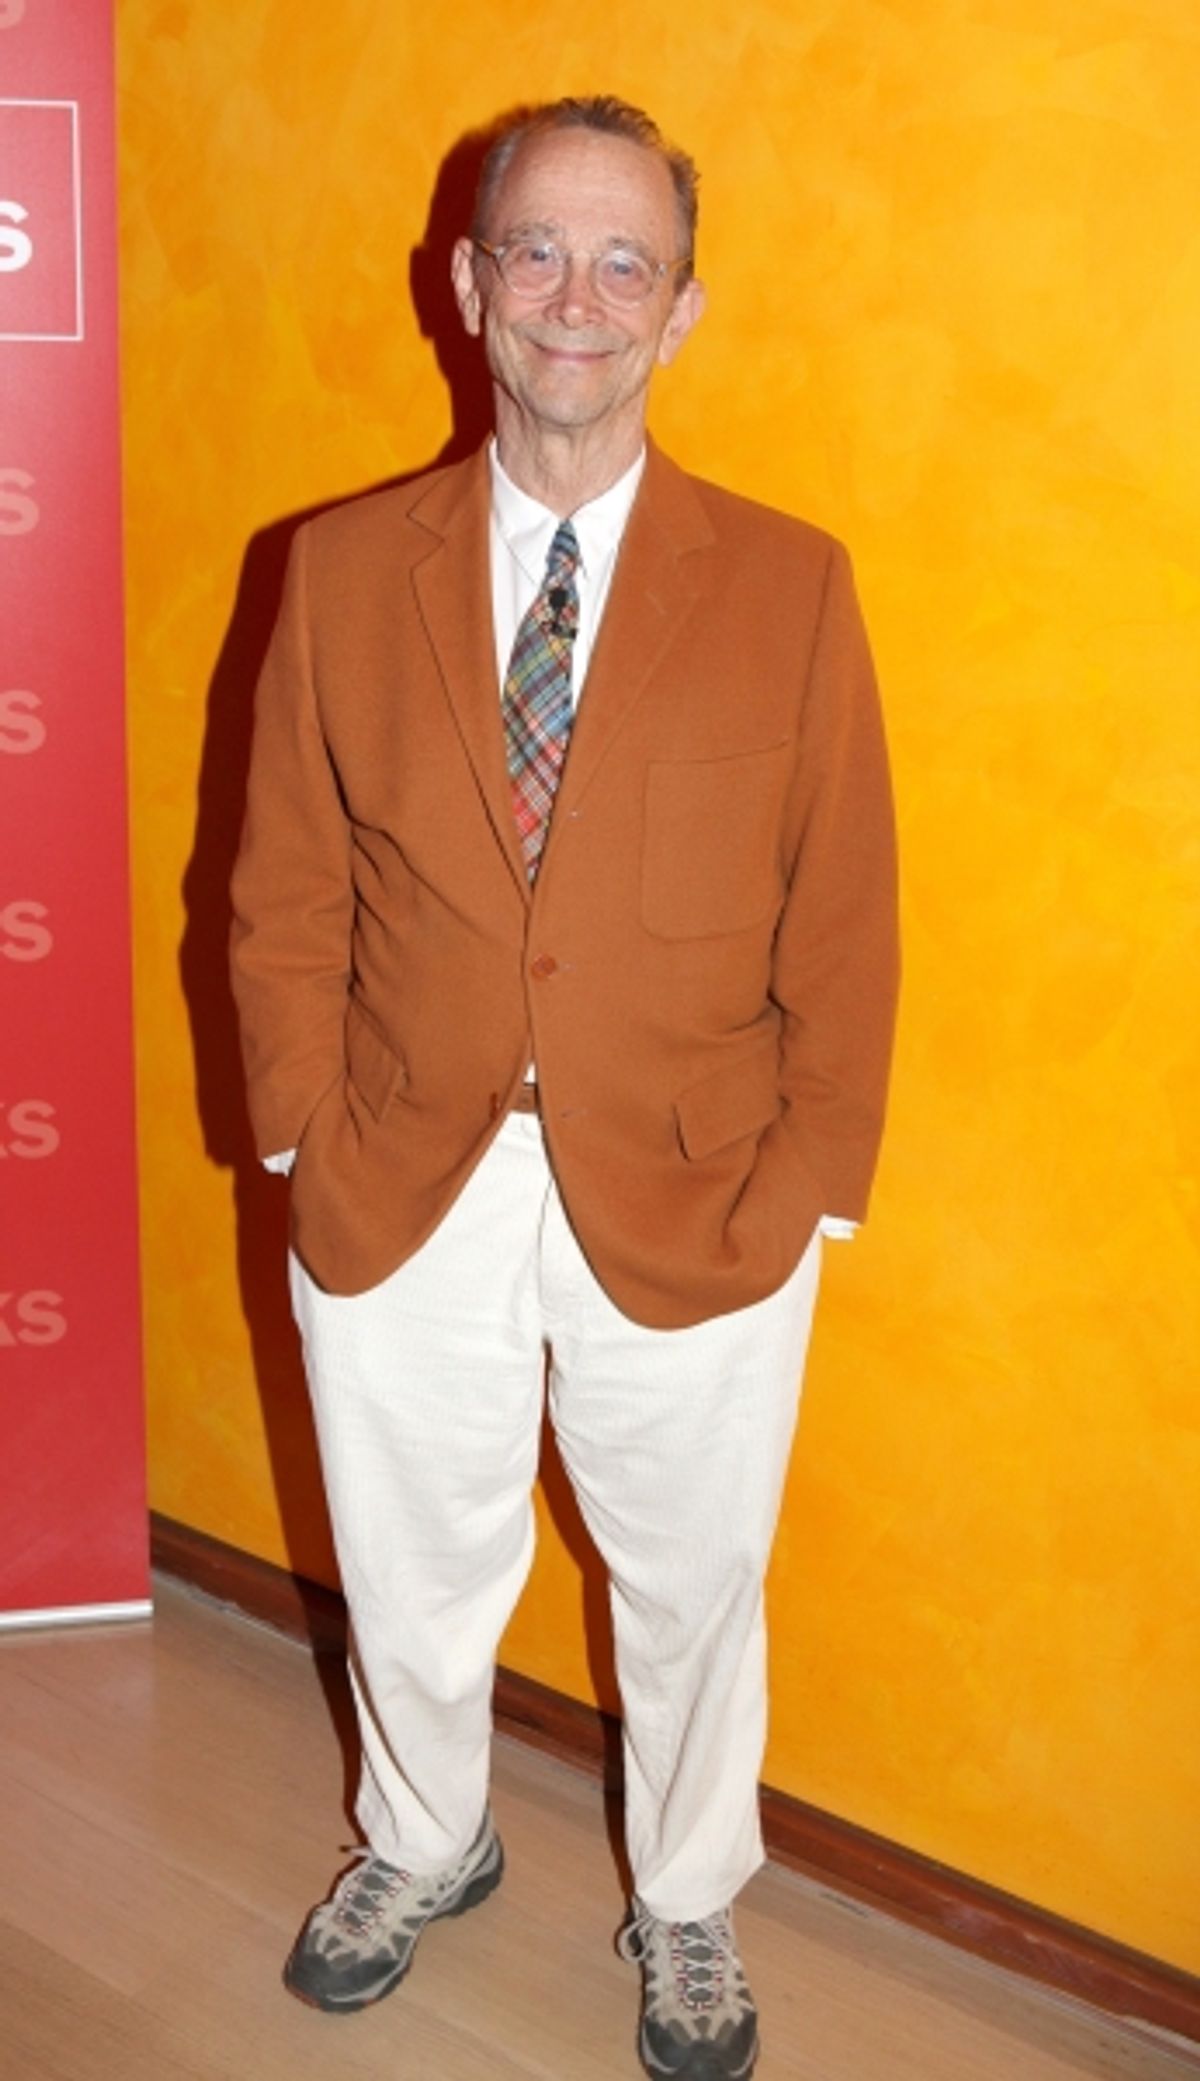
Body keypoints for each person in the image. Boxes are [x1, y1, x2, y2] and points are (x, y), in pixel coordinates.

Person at [230, 93, 898, 2081]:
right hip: (398, 1170)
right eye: (537, 251)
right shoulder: (335, 569)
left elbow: (846, 908)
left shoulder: (791, 584)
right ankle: (421, 1839)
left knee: (691, 1585)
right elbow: (280, 885)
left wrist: (811, 1184)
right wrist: (299, 1131)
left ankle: (686, 1896)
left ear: (682, 309)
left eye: (626, 262)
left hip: (700, 1186)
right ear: (468, 285)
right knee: (411, 1558)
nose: (576, 298)